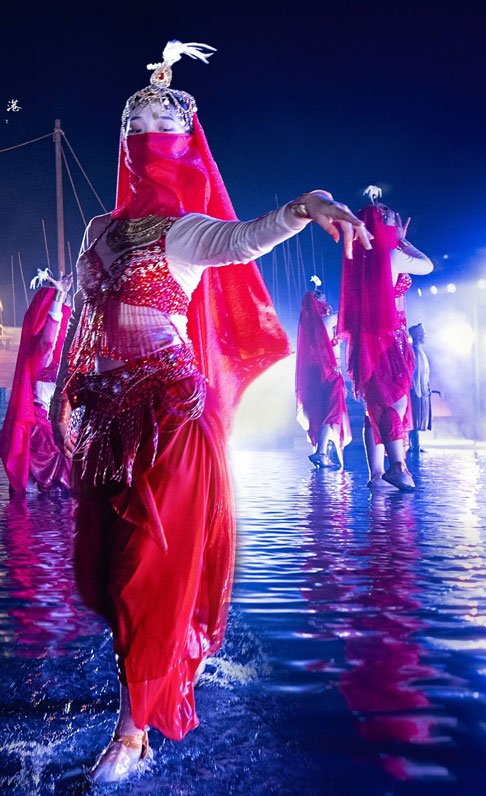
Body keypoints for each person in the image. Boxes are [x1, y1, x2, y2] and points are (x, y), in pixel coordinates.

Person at [50, 40, 373, 783]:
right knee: (103, 579)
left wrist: (307, 205)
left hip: (170, 427)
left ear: (180, 145)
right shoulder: (101, 228)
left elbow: (248, 237)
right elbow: (83, 309)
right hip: (106, 427)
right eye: (136, 129)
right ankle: (149, 688)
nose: (145, 140)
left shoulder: (186, 231)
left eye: (158, 129)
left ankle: (130, 734)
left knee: (146, 574)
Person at [337, 187, 433, 491]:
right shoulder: (392, 255)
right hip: (389, 341)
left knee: (373, 407)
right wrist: (403, 240)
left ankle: (376, 473)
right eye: (391, 220)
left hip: (367, 342)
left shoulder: (363, 259)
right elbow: (428, 266)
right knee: (395, 401)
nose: (395, 223)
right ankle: (397, 466)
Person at [0, 270, 72, 495]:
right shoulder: (43, 355)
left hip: (61, 432)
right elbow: (49, 338)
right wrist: (59, 300)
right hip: (42, 436)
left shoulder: (66, 358)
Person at [296, 276, 351, 468]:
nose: (326, 301)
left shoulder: (311, 325)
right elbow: (344, 312)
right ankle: (320, 452)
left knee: (322, 410)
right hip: (329, 373)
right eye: (322, 298)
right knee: (332, 410)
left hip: (316, 372)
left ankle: (320, 451)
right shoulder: (326, 321)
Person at [408, 322, 435, 452]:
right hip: (416, 391)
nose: (425, 336)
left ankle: (415, 445)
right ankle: (413, 446)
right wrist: (416, 390)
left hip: (421, 390)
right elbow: (415, 374)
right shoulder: (415, 353)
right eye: (423, 334)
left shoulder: (419, 352)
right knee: (414, 419)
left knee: (417, 419)